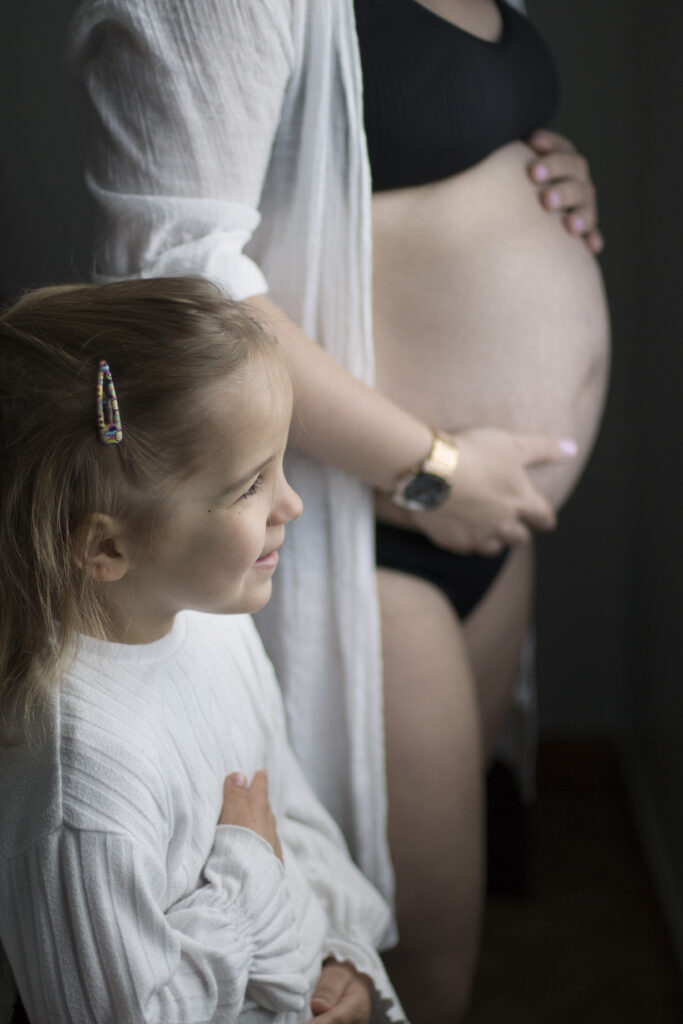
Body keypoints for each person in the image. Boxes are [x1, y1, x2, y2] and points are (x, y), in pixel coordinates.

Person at [66, 1, 610, 1018]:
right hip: (351, 534)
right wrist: (431, 468)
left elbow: (416, 141)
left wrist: (539, 160)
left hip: (483, 525)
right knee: (399, 968)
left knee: (442, 940)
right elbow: (173, 274)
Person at [0, 277, 406, 1024]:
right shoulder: (82, 780)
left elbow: (286, 808)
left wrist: (336, 948)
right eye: (252, 484)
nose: (291, 504)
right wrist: (247, 874)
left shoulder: (213, 624)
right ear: (107, 546)